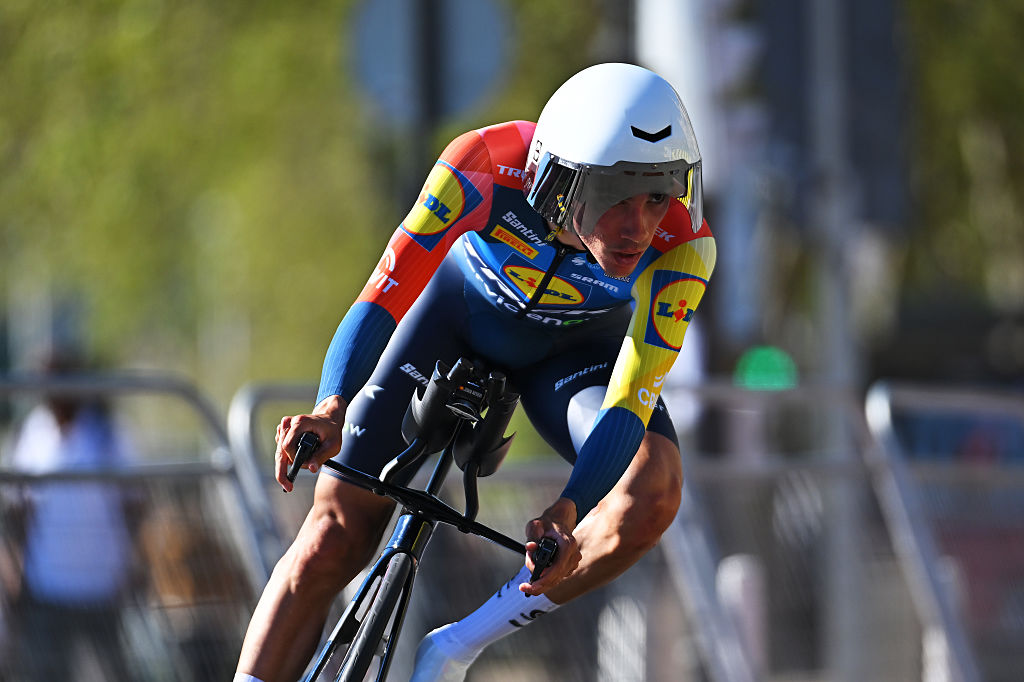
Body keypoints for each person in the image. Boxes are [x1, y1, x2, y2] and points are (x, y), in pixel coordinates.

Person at [234, 62, 716, 682]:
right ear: (562, 182)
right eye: (617, 195)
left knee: (655, 485)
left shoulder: (685, 243)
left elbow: (629, 400)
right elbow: (385, 294)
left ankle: (456, 647)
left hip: (570, 357)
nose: (640, 225)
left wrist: (571, 510)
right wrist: (332, 405)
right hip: (454, 320)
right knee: (334, 534)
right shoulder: (484, 164)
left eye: (658, 194)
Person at [4, 352, 139, 680]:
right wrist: (14, 574)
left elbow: (134, 506)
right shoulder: (31, 433)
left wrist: (132, 564)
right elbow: (20, 512)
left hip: (102, 586)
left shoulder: (108, 433)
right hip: (47, 587)